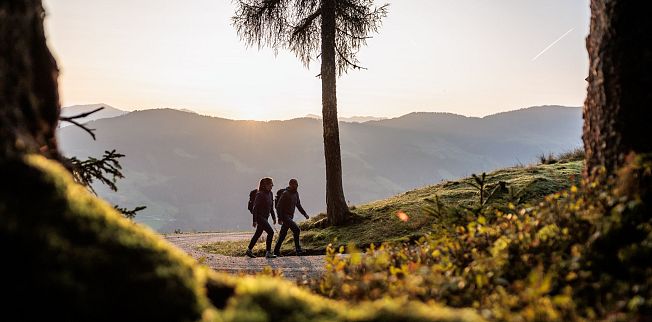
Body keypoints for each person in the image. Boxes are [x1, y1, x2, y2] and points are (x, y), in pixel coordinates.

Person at [273, 178, 310, 256]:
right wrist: (279, 218)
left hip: (290, 216)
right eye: (294, 184)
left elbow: (298, 205)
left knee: (283, 234)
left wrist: (305, 214)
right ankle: (298, 250)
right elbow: (279, 207)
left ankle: (276, 251)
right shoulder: (285, 193)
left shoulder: (296, 194)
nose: (296, 186)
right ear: (290, 185)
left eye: (296, 184)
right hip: (285, 216)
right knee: (296, 230)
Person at [246, 177, 277, 258]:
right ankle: (268, 252)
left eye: (272, 184)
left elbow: (271, 207)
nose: (272, 186)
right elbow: (255, 208)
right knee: (271, 232)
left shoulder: (270, 194)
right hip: (259, 217)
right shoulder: (260, 194)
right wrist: (254, 220)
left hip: (265, 217)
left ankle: (249, 250)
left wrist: (274, 217)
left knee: (258, 233)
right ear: (265, 185)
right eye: (270, 184)